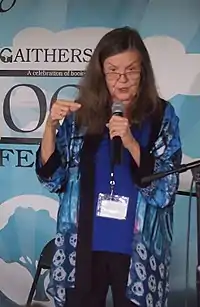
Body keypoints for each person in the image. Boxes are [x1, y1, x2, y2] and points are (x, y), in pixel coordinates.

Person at [36, 27, 182, 307]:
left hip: (137, 250)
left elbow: (167, 189)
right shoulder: (82, 116)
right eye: (113, 70)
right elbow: (52, 178)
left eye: (131, 70)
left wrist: (129, 141)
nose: (122, 79)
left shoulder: (163, 115)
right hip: (84, 247)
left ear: (144, 71)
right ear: (100, 73)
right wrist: (50, 128)